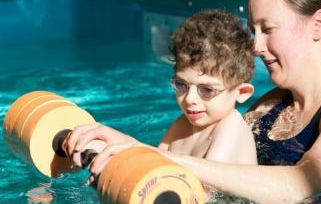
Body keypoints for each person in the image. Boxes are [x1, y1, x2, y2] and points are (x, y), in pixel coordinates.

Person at [67, 0, 321, 204]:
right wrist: (122, 145)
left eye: (267, 29)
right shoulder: (270, 106)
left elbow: (302, 185)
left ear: (318, 26)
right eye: (253, 30)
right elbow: (213, 162)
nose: (255, 45)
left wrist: (166, 161)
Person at [68, 9, 258, 175]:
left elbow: (206, 191)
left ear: (241, 93)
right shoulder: (182, 124)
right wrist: (111, 147)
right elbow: (154, 162)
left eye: (207, 90)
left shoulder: (230, 128)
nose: (190, 99)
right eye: (181, 85)